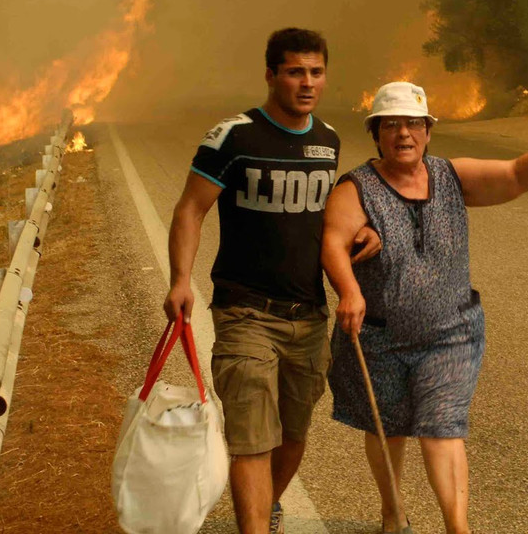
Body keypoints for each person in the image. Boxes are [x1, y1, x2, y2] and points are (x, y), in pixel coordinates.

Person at [321, 81, 528, 534]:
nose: (403, 134)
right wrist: (349, 290)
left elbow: (512, 176)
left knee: (441, 427)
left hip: (450, 332)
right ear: (376, 133)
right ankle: (392, 513)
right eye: (391, 125)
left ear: (428, 131)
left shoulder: (450, 176)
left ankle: (457, 527)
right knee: (387, 428)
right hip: (380, 336)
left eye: (413, 124)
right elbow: (333, 240)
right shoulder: (357, 188)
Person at [163, 27, 381, 534]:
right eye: (295, 71)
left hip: (308, 314)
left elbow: (324, 219)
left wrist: (361, 230)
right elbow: (191, 210)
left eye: (316, 72)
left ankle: (267, 506)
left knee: (293, 434)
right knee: (252, 437)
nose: (307, 82)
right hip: (245, 311)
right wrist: (180, 280)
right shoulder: (234, 137)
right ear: (271, 75)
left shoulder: (327, 142)